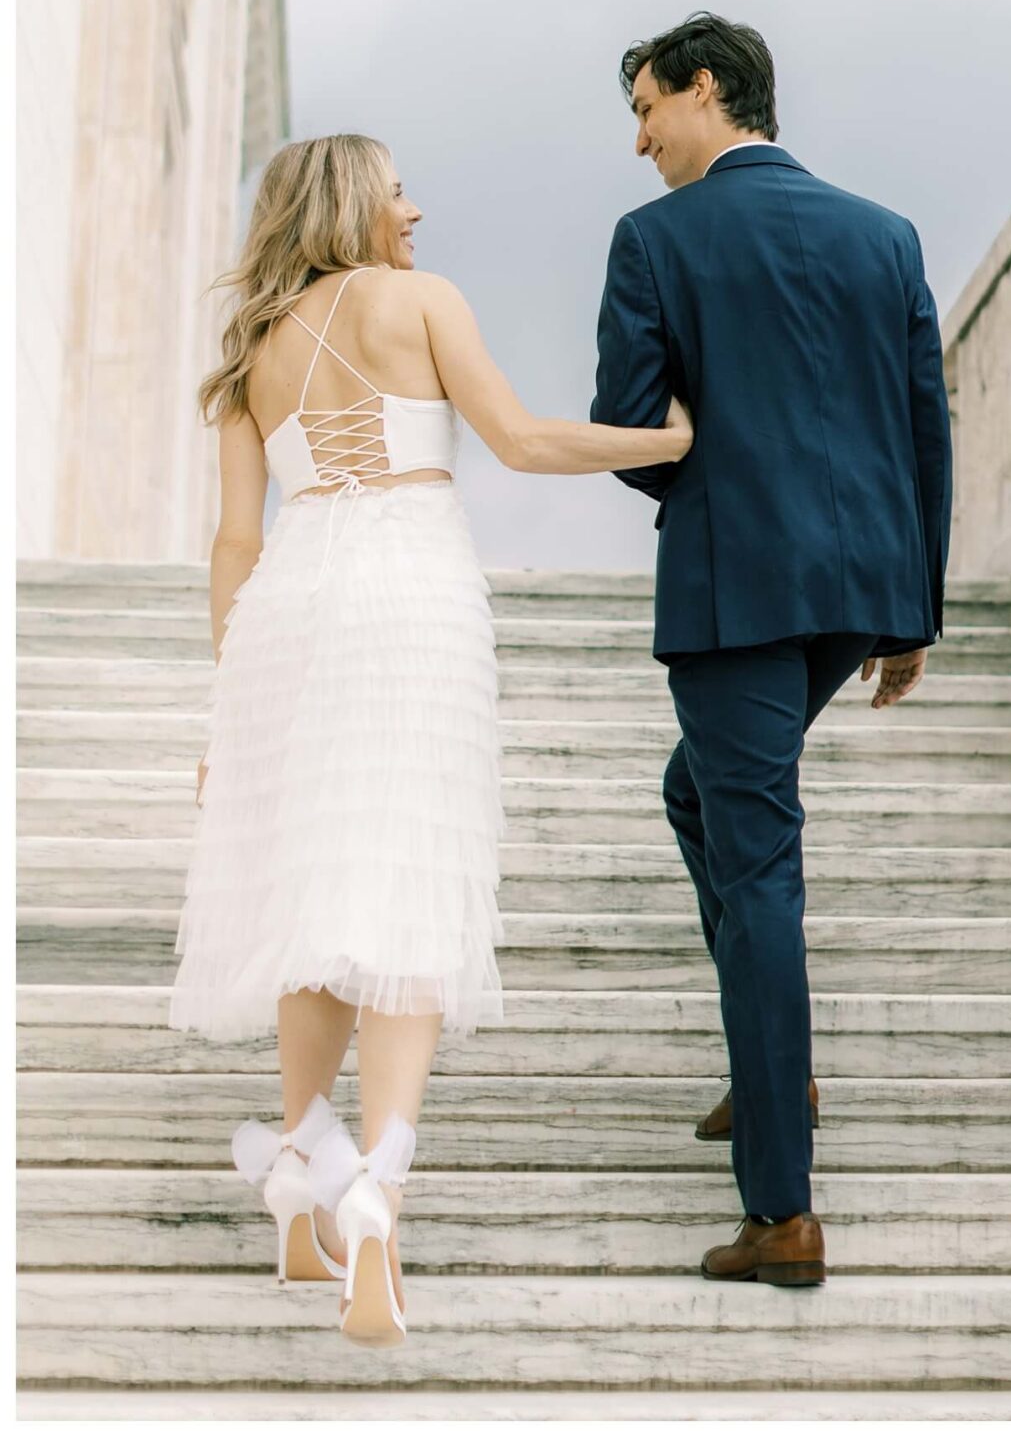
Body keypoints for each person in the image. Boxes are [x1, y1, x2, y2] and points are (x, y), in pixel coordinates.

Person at [170, 133, 690, 1347]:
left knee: (313, 889)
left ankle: (298, 1191)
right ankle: (377, 1197)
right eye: (398, 188)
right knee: (405, 887)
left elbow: (234, 543)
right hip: (407, 590)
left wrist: (224, 706)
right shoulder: (418, 300)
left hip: (291, 605)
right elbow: (518, 440)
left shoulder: (250, 347)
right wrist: (661, 443)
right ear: (354, 198)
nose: (416, 207)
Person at [592, 13, 952, 1287]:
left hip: (737, 589)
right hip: (858, 581)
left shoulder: (655, 241)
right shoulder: (885, 233)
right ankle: (768, 1063)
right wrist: (913, 609)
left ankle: (782, 1210)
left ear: (706, 88)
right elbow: (924, 428)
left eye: (646, 108)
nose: (638, 140)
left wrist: (706, 447)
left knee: (760, 869)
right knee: (694, 792)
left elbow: (629, 424)